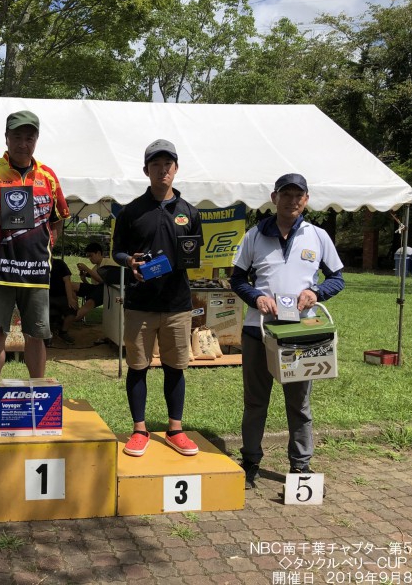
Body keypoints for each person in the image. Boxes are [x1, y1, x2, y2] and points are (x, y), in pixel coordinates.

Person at [230, 173, 344, 489]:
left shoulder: (317, 236)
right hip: (259, 331)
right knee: (255, 401)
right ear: (274, 198)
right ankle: (250, 461)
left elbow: (337, 277)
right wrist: (257, 297)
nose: (292, 200)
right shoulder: (254, 235)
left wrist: (316, 293)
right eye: (286, 194)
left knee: (299, 404)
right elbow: (237, 279)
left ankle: (300, 467)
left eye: (298, 195)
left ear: (306, 200)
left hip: (299, 334)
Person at [0, 110, 70, 420]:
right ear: (7, 138)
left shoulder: (48, 176)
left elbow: (59, 218)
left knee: (37, 334)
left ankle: (37, 391)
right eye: (17, 136)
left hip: (36, 271)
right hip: (0, 269)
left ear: (36, 140)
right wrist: (15, 213)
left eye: (29, 137)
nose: (23, 143)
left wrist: (48, 243)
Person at [111, 139, 203, 457]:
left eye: (168, 164)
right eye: (156, 164)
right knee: (138, 367)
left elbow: (194, 252)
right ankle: (139, 430)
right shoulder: (131, 211)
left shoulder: (190, 212)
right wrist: (129, 262)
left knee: (175, 367)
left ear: (176, 169)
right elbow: (117, 250)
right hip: (139, 304)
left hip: (177, 304)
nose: (162, 170)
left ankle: (175, 429)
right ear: (146, 170)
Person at [74, 241, 119, 322]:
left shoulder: (108, 263)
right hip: (97, 291)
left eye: (91, 256)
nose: (90, 258)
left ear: (98, 253)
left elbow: (103, 281)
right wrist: (84, 279)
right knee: (71, 285)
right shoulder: (94, 268)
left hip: (108, 291)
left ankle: (76, 316)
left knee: (91, 300)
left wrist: (87, 269)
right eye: (88, 256)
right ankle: (74, 312)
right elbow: (93, 288)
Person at [47, 254, 77, 345]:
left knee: (73, 309)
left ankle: (63, 332)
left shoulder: (60, 264)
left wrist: (70, 298)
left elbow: (67, 281)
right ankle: (45, 336)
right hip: (44, 297)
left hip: (61, 297)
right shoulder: (37, 264)